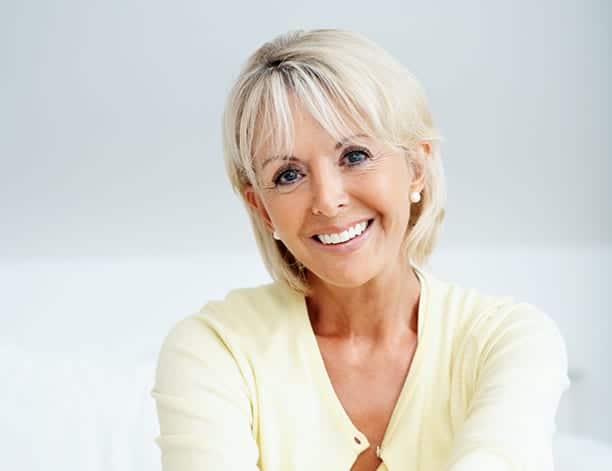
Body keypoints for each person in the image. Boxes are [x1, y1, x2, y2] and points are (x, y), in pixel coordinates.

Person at [150, 29, 570, 470]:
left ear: (416, 167)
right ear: (263, 209)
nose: (328, 200)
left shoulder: (510, 342)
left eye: (353, 156)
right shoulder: (215, 350)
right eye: (289, 175)